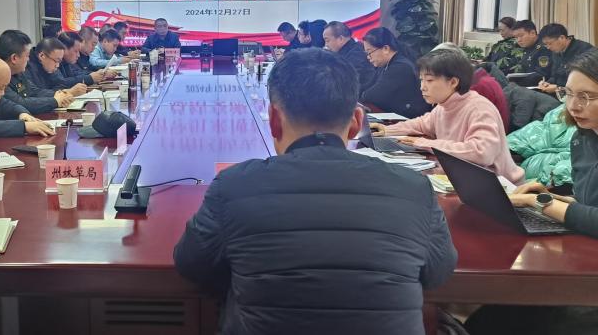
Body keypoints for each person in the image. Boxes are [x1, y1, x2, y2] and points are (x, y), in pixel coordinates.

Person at [174, 48, 456, 335]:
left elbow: (193, 265)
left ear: (273, 120)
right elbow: (437, 273)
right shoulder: (415, 189)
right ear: (356, 123)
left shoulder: (234, 186)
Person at [467, 47, 598, 335]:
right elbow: (591, 203)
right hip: (591, 258)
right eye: (567, 94)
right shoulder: (585, 140)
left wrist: (541, 202)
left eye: (587, 97)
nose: (573, 106)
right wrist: (549, 198)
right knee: (487, 320)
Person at [373, 49, 524, 183]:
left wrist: (425, 143)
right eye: (421, 80)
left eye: (429, 80)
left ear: (453, 82)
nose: (422, 87)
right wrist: (387, 130)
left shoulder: (478, 108)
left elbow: (481, 152)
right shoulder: (444, 106)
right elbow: (421, 124)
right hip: (466, 178)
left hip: (502, 188)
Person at [0, 30, 72, 114]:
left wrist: (59, 94)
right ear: (14, 58)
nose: (28, 59)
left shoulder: (17, 73)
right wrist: (55, 101)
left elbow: (34, 91)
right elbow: (20, 103)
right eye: (27, 56)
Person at [360, 27, 431, 118]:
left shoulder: (400, 67)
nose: (368, 57)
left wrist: (361, 95)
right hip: (394, 115)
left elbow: (373, 95)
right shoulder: (385, 65)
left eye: (369, 52)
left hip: (409, 120)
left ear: (385, 48)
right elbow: (367, 87)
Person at [537, 23, 594, 93]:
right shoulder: (556, 51)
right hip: (558, 93)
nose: (548, 47)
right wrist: (547, 83)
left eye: (550, 43)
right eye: (546, 45)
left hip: (576, 94)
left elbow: (586, 81)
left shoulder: (584, 49)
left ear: (562, 38)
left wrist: (559, 88)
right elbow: (555, 76)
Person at [322, 20, 376, 92]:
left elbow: (347, 82)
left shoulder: (357, 53)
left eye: (327, 40)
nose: (326, 45)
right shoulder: (343, 54)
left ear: (340, 39)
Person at [511, 19, 553, 86]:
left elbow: (542, 75)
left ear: (532, 33)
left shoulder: (543, 48)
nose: (518, 40)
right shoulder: (527, 47)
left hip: (540, 87)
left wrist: (517, 83)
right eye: (516, 37)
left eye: (521, 36)